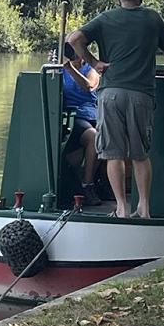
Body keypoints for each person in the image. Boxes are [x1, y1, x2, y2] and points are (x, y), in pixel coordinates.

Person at [67, 0, 164, 219]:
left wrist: (94, 62)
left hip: (111, 94)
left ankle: (121, 208)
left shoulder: (106, 18)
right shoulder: (152, 18)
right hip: (141, 94)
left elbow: (74, 39)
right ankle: (144, 207)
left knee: (113, 154)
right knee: (140, 155)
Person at [61, 45, 102, 206]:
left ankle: (95, 183)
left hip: (92, 115)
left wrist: (71, 69)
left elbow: (89, 86)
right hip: (72, 117)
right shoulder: (60, 70)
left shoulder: (91, 69)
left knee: (102, 136)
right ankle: (85, 185)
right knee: (93, 137)